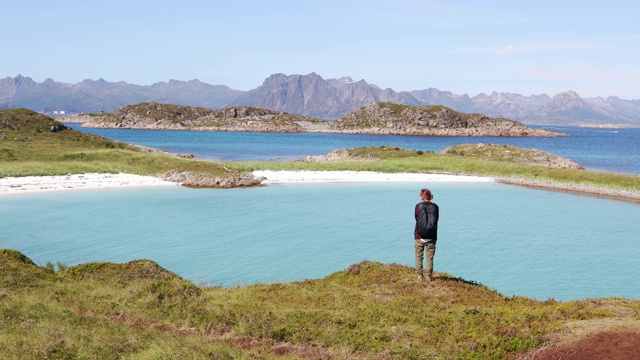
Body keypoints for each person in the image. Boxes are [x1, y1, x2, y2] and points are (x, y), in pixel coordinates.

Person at [414, 188, 439, 281]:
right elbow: (436, 219)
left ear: (422, 196)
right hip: (432, 236)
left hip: (419, 235)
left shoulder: (418, 206)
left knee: (419, 256)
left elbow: (416, 218)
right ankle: (428, 276)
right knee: (430, 257)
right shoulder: (436, 206)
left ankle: (420, 275)